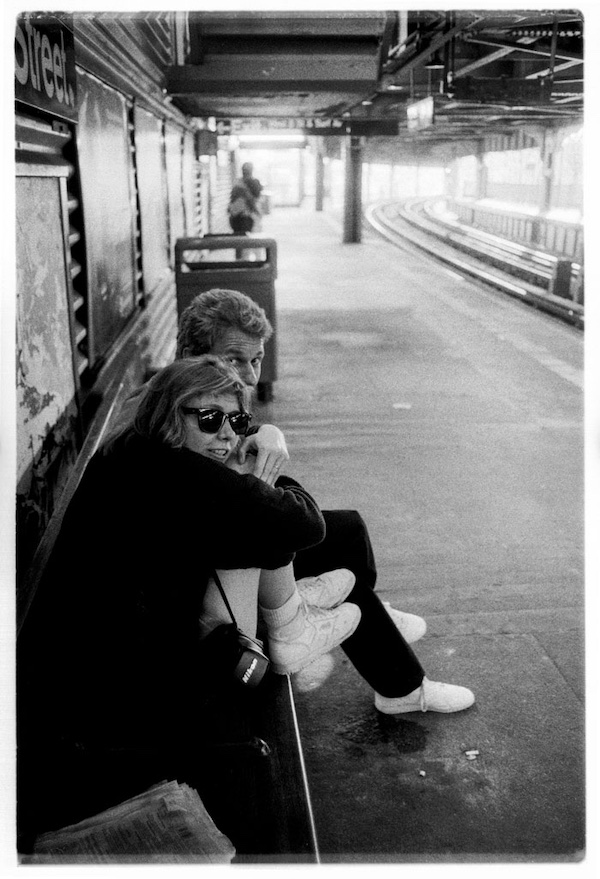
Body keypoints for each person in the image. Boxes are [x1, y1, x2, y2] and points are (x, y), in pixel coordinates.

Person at [17, 355, 361, 839]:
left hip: (110, 654)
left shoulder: (139, 451)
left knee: (262, 525)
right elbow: (305, 522)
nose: (226, 434)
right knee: (260, 529)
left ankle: (292, 616)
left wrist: (254, 456)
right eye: (209, 419)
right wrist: (263, 474)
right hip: (122, 689)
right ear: (169, 415)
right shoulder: (178, 471)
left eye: (236, 421)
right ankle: (292, 622)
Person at [175, 289, 476, 715]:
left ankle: (382, 643)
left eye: (256, 360)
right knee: (326, 539)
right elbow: (271, 510)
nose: (248, 375)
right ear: (195, 354)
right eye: (234, 358)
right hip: (200, 587)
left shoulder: (186, 393)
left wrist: (267, 431)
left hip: (214, 549)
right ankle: (401, 684)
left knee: (348, 528)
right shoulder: (175, 419)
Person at [228, 162, 263, 234]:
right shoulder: (254, 183)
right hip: (246, 217)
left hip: (235, 217)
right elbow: (253, 200)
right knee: (248, 239)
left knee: (239, 239)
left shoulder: (237, 183)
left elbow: (232, 200)